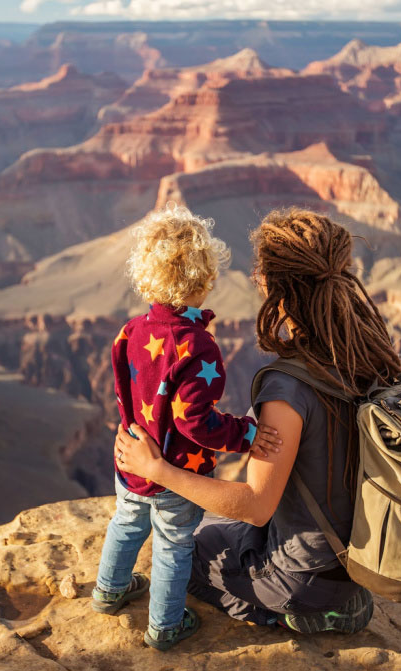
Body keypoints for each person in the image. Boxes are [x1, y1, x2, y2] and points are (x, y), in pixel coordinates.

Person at [114, 207, 401, 634]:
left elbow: (254, 505)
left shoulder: (287, 391)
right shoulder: (362, 352)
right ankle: (327, 594)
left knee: (183, 550)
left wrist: (156, 470)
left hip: (301, 574)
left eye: (259, 270)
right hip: (355, 552)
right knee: (209, 519)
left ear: (277, 289)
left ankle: (297, 612)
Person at [92, 204, 280, 651]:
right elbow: (195, 422)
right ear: (205, 276)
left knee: (126, 522)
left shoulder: (130, 331)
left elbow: (122, 393)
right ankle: (164, 625)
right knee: (174, 544)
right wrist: (245, 435)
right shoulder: (197, 346)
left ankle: (109, 590)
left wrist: (132, 436)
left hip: (132, 457)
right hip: (178, 470)